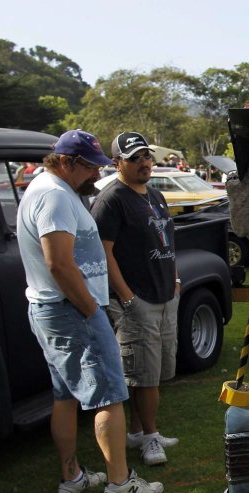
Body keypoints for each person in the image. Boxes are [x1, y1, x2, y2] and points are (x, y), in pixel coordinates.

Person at [16, 129, 164, 493]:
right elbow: (59, 264)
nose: (96, 175)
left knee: (65, 396)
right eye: (89, 167)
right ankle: (120, 483)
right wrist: (89, 309)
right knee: (109, 396)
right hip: (71, 310)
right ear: (65, 162)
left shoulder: (49, 188)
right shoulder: (54, 196)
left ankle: (74, 476)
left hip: (53, 310)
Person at [92, 131, 182, 466]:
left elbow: (167, 240)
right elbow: (104, 254)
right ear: (117, 163)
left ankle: (138, 431)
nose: (144, 163)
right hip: (137, 300)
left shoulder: (155, 194)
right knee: (143, 375)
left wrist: (173, 279)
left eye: (146, 156)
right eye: (134, 158)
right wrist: (127, 297)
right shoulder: (111, 199)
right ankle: (150, 437)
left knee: (154, 372)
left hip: (164, 294)